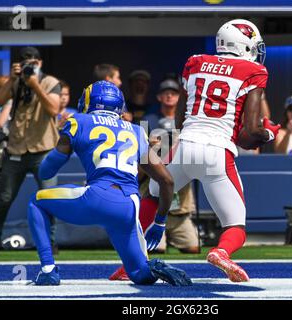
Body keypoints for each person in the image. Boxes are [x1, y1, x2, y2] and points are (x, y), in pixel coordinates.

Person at [110, 19, 281, 283]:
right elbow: (250, 134)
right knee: (235, 226)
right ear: (244, 44)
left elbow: (179, 121)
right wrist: (269, 132)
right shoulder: (254, 70)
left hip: (185, 146)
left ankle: (129, 264)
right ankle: (221, 252)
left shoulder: (196, 62)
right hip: (217, 152)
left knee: (154, 196)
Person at [27, 80, 192, 287]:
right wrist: (159, 223)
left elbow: (46, 171)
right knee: (140, 274)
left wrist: (65, 140)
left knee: (37, 201)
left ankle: (48, 270)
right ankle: (154, 267)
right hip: (129, 206)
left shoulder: (78, 121)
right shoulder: (137, 131)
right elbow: (167, 181)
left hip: (97, 196)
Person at [0, 47, 61, 255]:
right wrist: (11, 79)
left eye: (34, 62)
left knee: (48, 198)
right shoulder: (16, 81)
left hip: (43, 149)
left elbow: (54, 110)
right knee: (4, 198)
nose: (30, 65)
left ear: (40, 63)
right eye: (26, 62)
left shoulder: (51, 82)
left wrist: (35, 84)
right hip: (16, 148)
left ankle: (51, 243)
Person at [140, 78, 200, 255]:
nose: (169, 96)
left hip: (180, 205)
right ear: (159, 97)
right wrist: (153, 148)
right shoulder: (149, 120)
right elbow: (141, 158)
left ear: (179, 97)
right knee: (155, 249)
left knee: (193, 248)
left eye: (173, 93)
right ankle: (161, 237)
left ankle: (172, 236)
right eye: (165, 92)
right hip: (154, 199)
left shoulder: (188, 120)